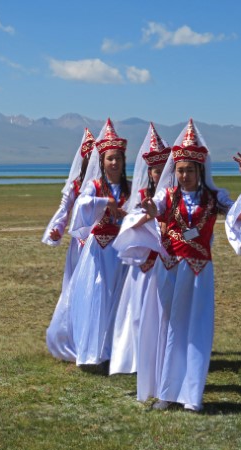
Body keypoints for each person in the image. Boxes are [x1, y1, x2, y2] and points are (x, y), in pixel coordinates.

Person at [117, 119, 241, 411]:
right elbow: (150, 213)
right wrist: (151, 213)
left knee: (197, 328)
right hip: (169, 269)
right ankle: (166, 393)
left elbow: (239, 216)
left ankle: (191, 395)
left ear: (199, 170)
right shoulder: (167, 197)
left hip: (199, 271)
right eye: (179, 170)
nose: (184, 175)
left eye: (189, 170)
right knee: (169, 327)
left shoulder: (214, 198)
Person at [66, 118, 130, 368]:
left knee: (119, 298)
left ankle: (114, 352)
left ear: (124, 161)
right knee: (97, 295)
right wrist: (105, 203)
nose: (114, 163)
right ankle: (92, 352)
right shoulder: (94, 186)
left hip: (121, 249)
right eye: (109, 158)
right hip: (98, 250)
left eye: (118, 158)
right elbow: (81, 206)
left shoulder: (130, 188)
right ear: (101, 161)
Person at [109, 122, 170, 377]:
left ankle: (161, 355)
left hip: (167, 257)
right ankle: (136, 357)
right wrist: (143, 219)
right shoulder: (142, 193)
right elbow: (131, 220)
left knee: (163, 310)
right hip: (145, 258)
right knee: (138, 309)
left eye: (162, 169)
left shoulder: (174, 194)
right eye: (154, 170)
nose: (157, 174)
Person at [43, 128, 95, 362]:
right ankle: (71, 340)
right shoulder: (76, 186)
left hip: (102, 247)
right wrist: (56, 231)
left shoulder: (107, 185)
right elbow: (64, 213)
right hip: (79, 247)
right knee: (75, 292)